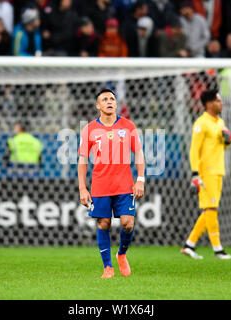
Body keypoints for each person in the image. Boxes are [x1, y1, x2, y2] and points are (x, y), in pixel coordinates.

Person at [78, 88, 145, 279]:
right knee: (103, 223)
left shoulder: (128, 126)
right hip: (100, 185)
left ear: (116, 104)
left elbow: (139, 153)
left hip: (125, 184)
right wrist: (83, 188)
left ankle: (121, 254)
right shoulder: (89, 129)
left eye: (112, 99)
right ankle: (108, 267)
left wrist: (140, 179)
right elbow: (82, 160)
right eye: (104, 99)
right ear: (98, 106)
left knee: (127, 224)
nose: (109, 101)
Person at [181, 89, 231, 260]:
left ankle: (189, 245)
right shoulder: (201, 123)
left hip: (219, 170)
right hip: (206, 172)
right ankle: (218, 250)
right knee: (211, 209)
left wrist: (228, 141)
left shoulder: (220, 122)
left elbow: (221, 146)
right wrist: (195, 173)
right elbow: (194, 150)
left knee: (210, 209)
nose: (221, 104)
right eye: (218, 101)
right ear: (209, 103)